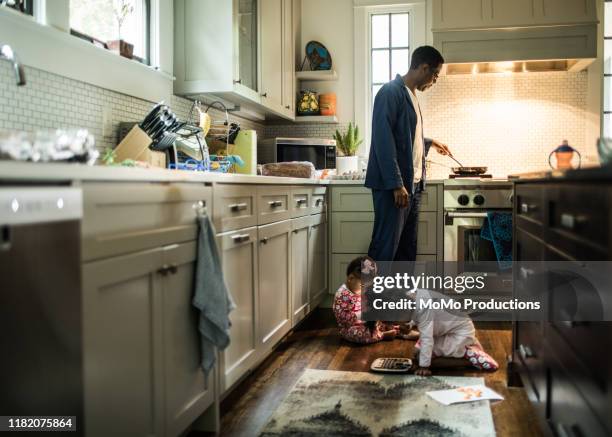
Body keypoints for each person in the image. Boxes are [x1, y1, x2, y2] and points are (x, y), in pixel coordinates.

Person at [366, 45, 452, 262]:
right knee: (384, 247)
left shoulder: (411, 96)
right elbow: (382, 140)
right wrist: (396, 184)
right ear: (424, 68)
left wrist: (431, 143)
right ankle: (374, 296)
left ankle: (401, 293)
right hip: (394, 187)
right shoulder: (390, 92)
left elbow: (405, 137)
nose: (434, 81)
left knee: (406, 249)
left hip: (412, 186)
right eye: (435, 75)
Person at [408, 289, 499, 376]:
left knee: (421, 358)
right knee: (417, 352)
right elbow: (418, 317)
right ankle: (463, 349)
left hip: (460, 334)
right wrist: (410, 325)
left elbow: (427, 338)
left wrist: (424, 367)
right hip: (448, 330)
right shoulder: (411, 296)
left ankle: (469, 358)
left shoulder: (424, 307)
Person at [333, 256, 418, 344]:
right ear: (351, 279)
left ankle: (400, 331)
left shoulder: (362, 289)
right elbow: (343, 318)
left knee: (383, 323)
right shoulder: (343, 295)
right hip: (351, 326)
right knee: (359, 333)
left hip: (368, 320)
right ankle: (383, 335)